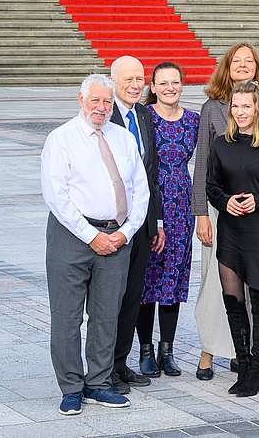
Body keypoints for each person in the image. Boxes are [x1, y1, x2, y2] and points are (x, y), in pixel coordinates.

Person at [42, 74, 149, 415]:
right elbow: (56, 196)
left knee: (106, 316)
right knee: (67, 317)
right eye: (95, 101)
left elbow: (139, 190)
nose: (101, 108)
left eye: (106, 101)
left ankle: (99, 383)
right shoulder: (61, 139)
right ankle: (72, 387)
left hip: (117, 237)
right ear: (81, 100)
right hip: (71, 237)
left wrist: (125, 232)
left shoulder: (123, 137)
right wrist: (92, 236)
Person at [192, 43, 259, 380]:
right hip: (221, 209)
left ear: (257, 67)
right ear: (227, 68)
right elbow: (203, 162)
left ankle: (246, 355)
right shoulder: (211, 108)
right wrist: (201, 213)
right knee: (218, 287)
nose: (243, 66)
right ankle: (211, 350)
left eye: (249, 61)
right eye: (236, 61)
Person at [206, 80, 259, 397]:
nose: (240, 111)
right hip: (230, 231)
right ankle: (242, 364)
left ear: (258, 109)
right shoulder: (221, 145)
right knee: (233, 301)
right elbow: (211, 186)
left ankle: (257, 368)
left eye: (246, 106)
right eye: (235, 106)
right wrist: (223, 200)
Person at [135, 62, 199, 378]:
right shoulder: (145, 117)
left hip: (182, 207)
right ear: (154, 85)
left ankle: (167, 350)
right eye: (163, 82)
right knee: (148, 279)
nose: (170, 87)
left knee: (172, 278)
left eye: (175, 81)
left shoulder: (193, 121)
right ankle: (145, 351)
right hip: (152, 202)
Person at [108, 56, 163, 394]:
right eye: (127, 78)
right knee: (109, 298)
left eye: (140, 78)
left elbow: (151, 174)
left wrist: (156, 220)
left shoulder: (144, 115)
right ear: (114, 80)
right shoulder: (104, 112)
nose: (135, 84)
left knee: (132, 296)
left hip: (142, 223)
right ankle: (104, 367)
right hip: (113, 224)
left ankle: (120, 363)